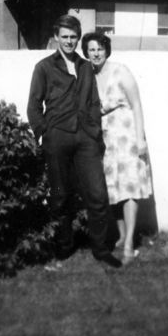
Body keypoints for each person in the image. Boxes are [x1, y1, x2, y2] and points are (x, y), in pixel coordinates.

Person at [27, 15, 122, 269]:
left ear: (78, 38)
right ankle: (64, 247)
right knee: (60, 196)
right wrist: (45, 132)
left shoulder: (85, 67)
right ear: (56, 37)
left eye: (73, 37)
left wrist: (94, 132)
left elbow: (93, 102)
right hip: (57, 137)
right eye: (65, 36)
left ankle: (100, 249)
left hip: (85, 138)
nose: (69, 41)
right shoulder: (44, 67)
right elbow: (34, 105)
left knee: (98, 195)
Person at [82, 32, 153, 264]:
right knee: (112, 188)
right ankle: (121, 237)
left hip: (127, 136)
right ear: (87, 53)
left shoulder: (120, 71)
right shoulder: (89, 76)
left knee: (129, 187)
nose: (96, 54)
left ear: (107, 50)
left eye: (100, 49)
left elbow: (137, 105)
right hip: (105, 140)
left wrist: (140, 140)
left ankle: (130, 243)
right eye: (92, 50)